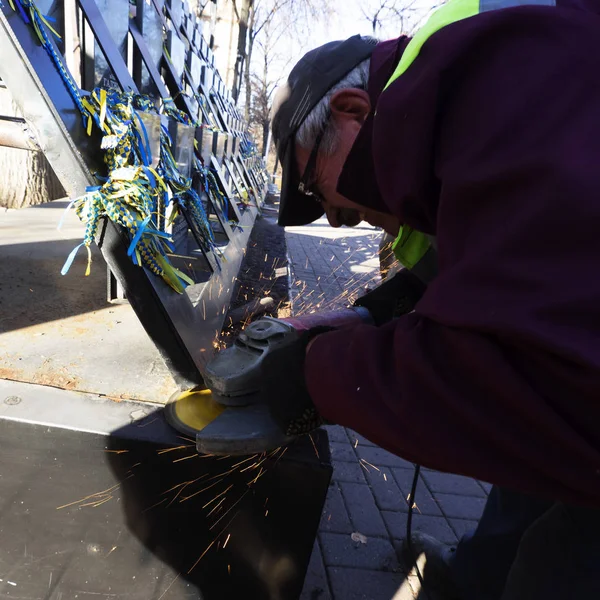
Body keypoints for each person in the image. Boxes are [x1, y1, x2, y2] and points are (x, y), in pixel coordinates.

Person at [262, 0, 600, 597]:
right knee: (523, 495)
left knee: (554, 569)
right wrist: (372, 311)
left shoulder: (496, 76)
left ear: (351, 111)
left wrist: (319, 376)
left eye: (318, 189)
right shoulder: (450, 102)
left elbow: (522, 373)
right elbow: (497, 254)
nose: (335, 223)